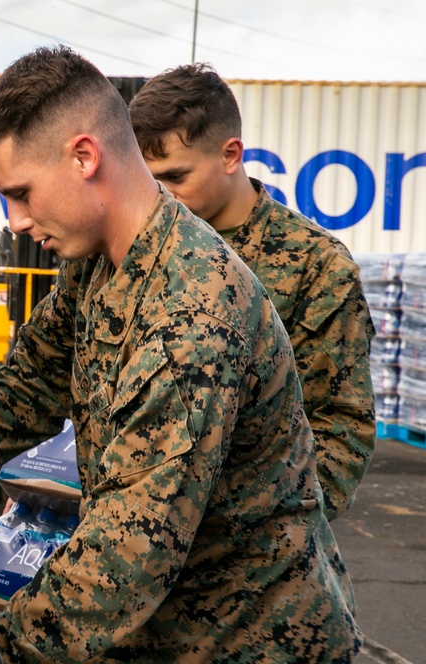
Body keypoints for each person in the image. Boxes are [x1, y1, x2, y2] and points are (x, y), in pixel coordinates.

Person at [0, 45, 361, 664]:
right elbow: (31, 381)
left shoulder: (193, 311)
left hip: (247, 640)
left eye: (21, 193)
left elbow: (127, 554)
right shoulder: (99, 260)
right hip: (163, 623)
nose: (14, 221)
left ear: (84, 156)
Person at [128, 64, 376, 522]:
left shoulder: (316, 266)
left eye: (176, 177)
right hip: (135, 541)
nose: (161, 198)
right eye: (150, 181)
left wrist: (267, 527)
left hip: (251, 564)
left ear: (230, 155)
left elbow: (341, 429)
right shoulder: (138, 250)